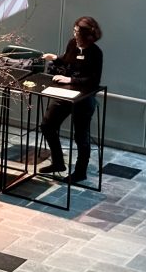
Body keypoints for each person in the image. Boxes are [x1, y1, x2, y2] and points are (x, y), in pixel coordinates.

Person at [39, 16, 103, 183]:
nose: (74, 34)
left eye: (77, 32)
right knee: (47, 125)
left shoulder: (95, 53)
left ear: (87, 35)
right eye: (74, 31)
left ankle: (80, 172)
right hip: (65, 94)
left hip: (83, 98)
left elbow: (93, 80)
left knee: (81, 136)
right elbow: (67, 59)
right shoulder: (72, 44)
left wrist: (71, 80)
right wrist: (55, 58)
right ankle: (58, 163)